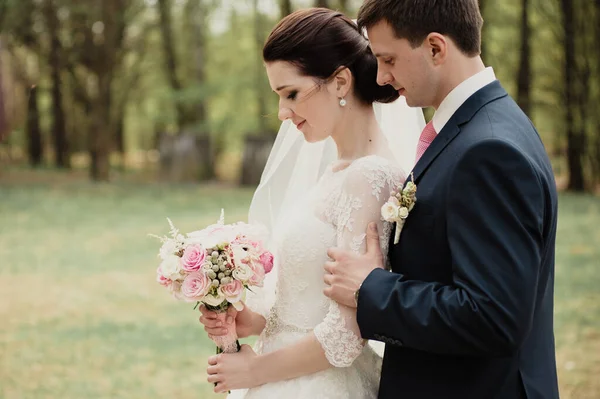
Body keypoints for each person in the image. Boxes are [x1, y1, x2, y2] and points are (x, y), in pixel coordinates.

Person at [323, 1, 560, 398]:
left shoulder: (487, 150)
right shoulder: (489, 124)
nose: (381, 77)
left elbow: (493, 317)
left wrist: (372, 288)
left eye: (388, 59)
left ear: (435, 48)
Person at [197, 7, 425, 398]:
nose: (284, 113)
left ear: (340, 82)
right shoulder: (336, 173)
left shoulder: (369, 179)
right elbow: (304, 305)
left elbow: (345, 334)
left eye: (292, 94)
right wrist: (249, 320)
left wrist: (254, 371)